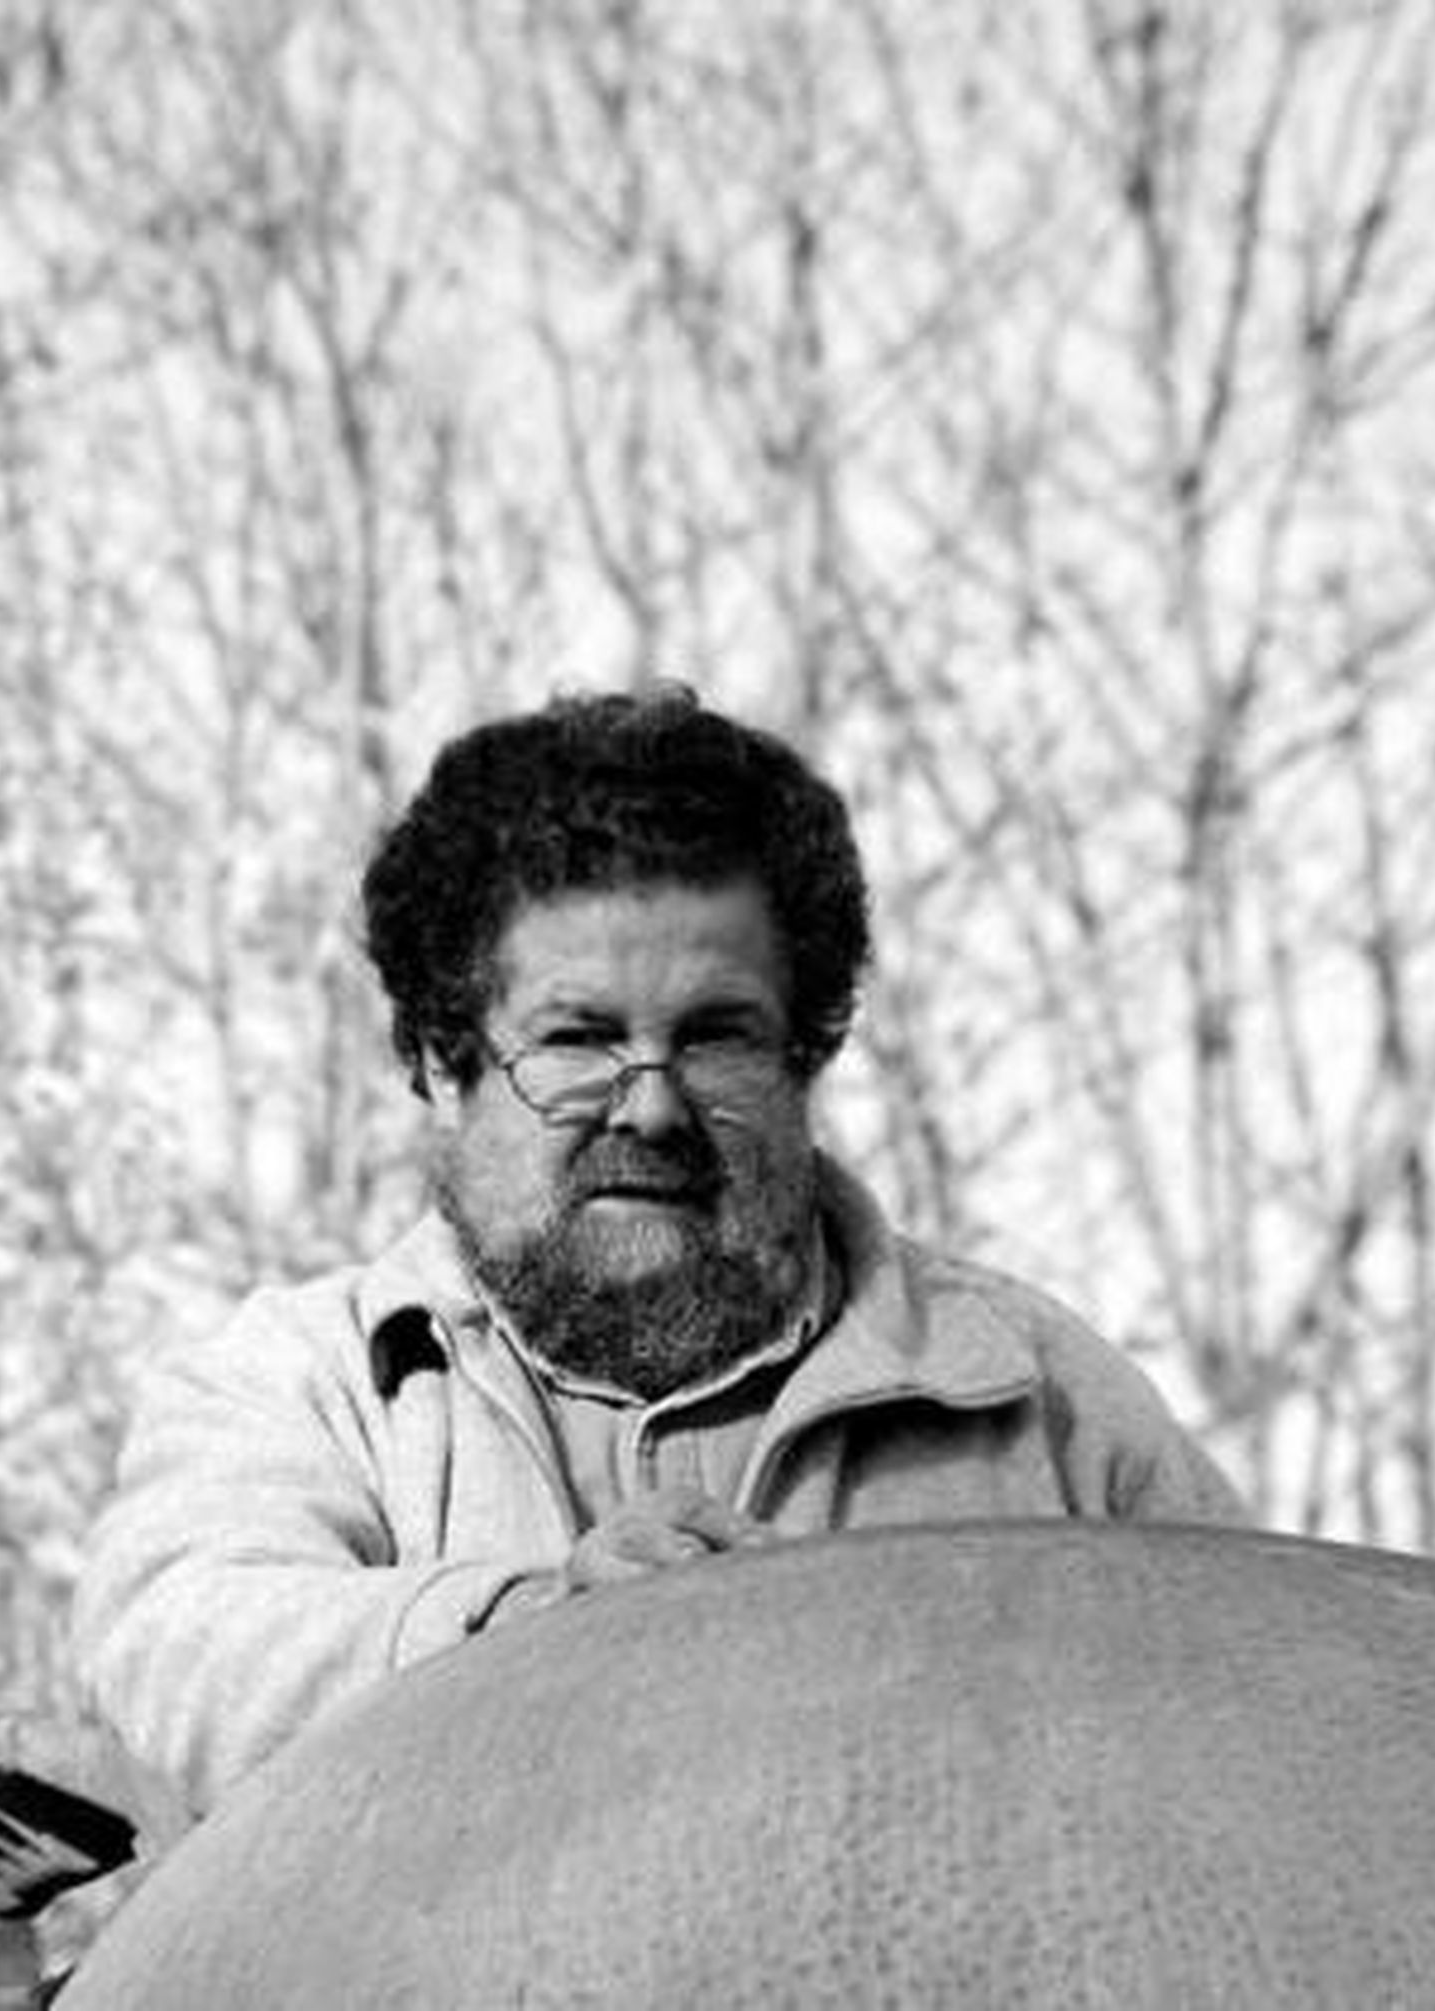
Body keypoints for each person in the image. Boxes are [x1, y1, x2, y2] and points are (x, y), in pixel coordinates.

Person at [73, 686, 1244, 1820]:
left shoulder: (1028, 1391)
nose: (651, 1109)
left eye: (716, 1037)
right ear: (440, 1063)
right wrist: (531, 1626)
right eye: (578, 1038)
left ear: (805, 1054)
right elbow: (177, 1663)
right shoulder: (309, 1386)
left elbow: (1258, 1713)